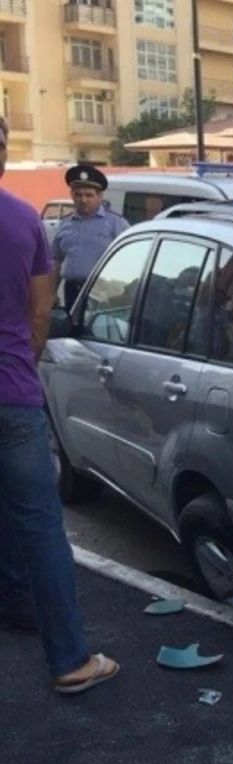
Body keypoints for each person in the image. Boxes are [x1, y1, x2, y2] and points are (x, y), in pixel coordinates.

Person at [0, 117, 120, 694]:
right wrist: (25, 359)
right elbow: (40, 314)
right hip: (12, 394)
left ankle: (18, 599)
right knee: (39, 522)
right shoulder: (26, 221)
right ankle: (70, 659)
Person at [52, 164, 129, 311]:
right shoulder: (65, 224)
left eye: (89, 195)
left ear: (100, 196)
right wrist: (51, 294)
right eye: (78, 195)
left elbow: (131, 260)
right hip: (72, 291)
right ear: (71, 195)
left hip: (104, 295)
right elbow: (55, 262)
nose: (83, 200)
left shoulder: (116, 224)